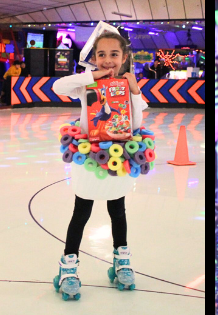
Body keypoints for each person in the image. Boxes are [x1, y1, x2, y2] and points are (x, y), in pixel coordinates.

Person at [50, 28, 150, 300]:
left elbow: (137, 123)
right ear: (94, 57)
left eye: (114, 54)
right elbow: (58, 87)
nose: (108, 60)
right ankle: (68, 267)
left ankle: (122, 262)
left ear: (124, 56)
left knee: (118, 210)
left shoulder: (130, 85)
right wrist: (91, 76)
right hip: (90, 156)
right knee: (81, 212)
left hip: (118, 155)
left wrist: (135, 90)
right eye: (102, 54)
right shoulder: (87, 83)